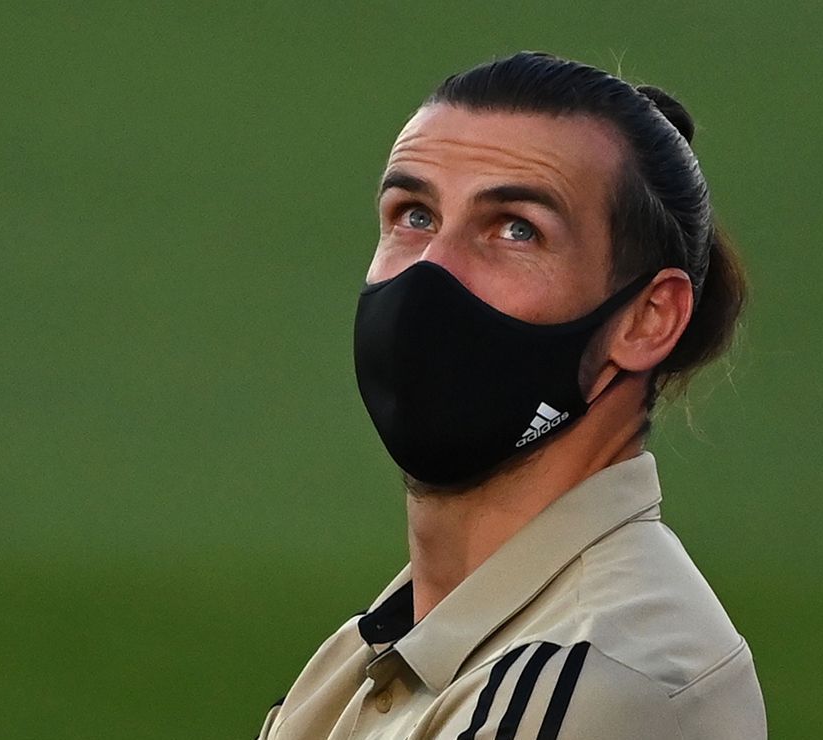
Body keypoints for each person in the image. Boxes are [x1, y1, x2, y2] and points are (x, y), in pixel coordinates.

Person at [256, 52, 765, 740]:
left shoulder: (596, 681)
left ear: (648, 319)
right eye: (414, 215)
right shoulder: (370, 650)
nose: (431, 271)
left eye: (516, 229)